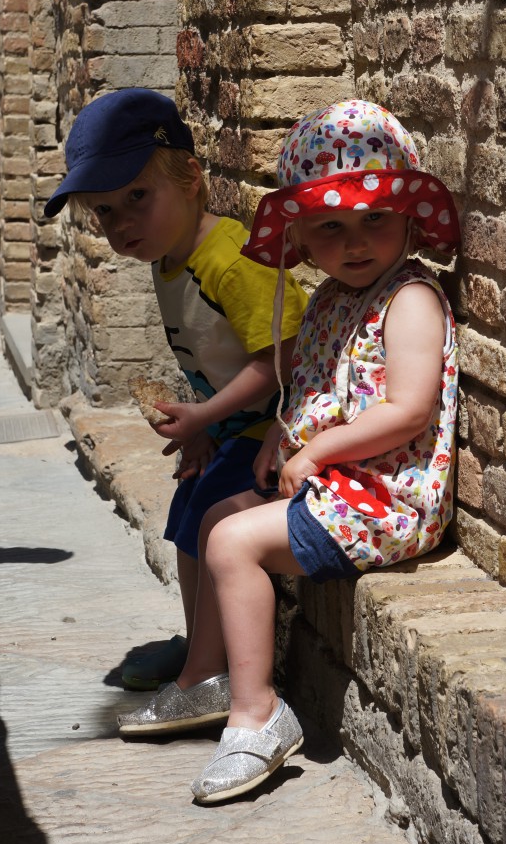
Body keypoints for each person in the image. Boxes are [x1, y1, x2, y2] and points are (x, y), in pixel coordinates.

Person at [117, 99, 460, 804]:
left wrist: (318, 450)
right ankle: (212, 676)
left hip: (387, 497)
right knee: (218, 518)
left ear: (409, 219)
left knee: (236, 542)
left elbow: (409, 407)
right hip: (338, 483)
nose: (355, 242)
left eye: (374, 221)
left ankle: (258, 715)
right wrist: (281, 431)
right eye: (330, 227)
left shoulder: (411, 300)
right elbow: (312, 382)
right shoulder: (336, 297)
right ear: (301, 234)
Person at [43, 88, 308, 691]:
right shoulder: (171, 260)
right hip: (235, 428)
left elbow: (284, 360)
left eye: (137, 196)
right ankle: (201, 646)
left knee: (214, 522)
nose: (122, 223)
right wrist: (204, 433)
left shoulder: (231, 260)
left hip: (280, 430)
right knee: (187, 513)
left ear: (190, 176)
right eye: (105, 211)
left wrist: (205, 417)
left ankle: (207, 674)